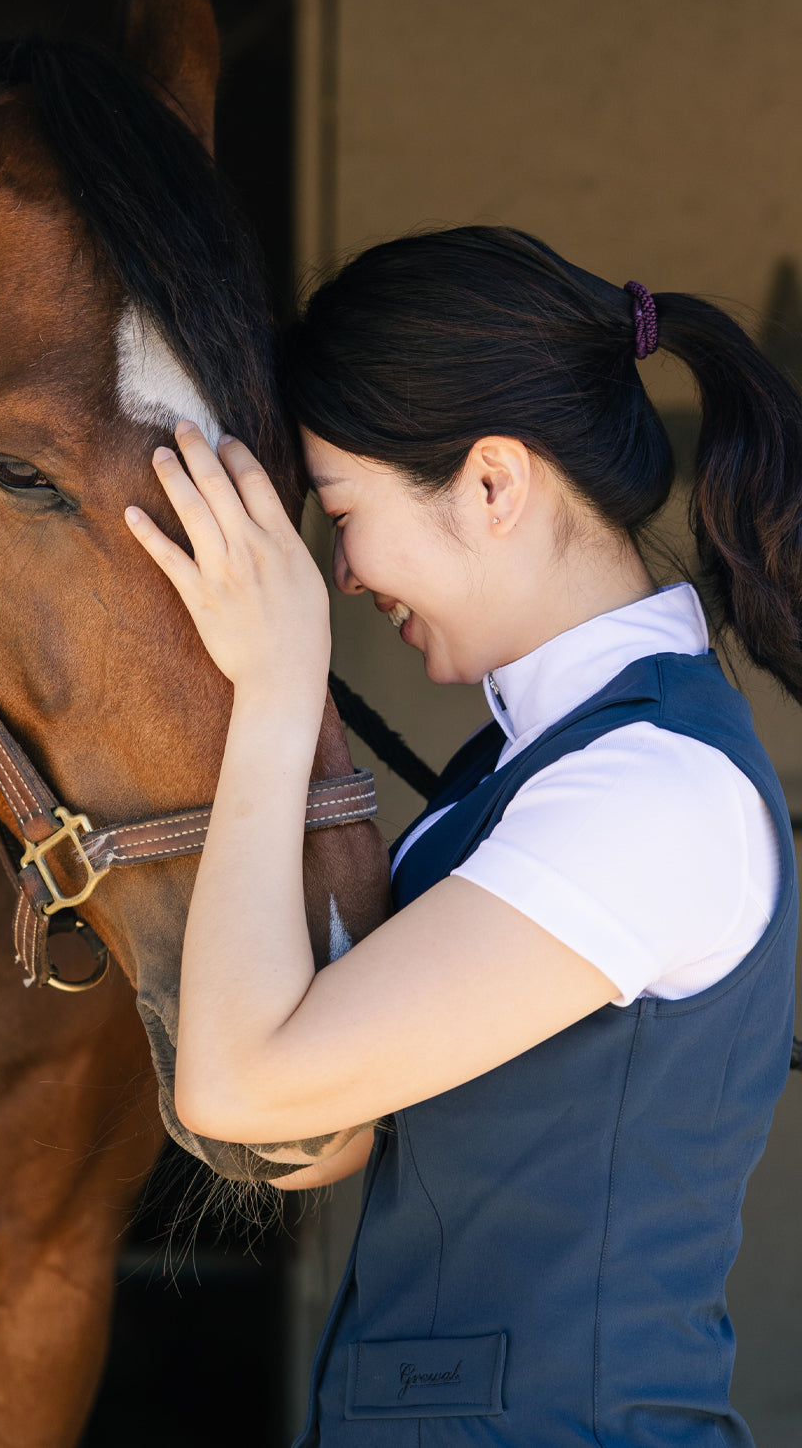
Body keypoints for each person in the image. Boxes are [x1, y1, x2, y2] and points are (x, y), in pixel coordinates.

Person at [121, 225, 801, 1447]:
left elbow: (235, 1086)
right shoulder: (535, 765)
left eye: (341, 511)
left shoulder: (650, 795)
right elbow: (313, 1127)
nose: (336, 573)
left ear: (493, 483)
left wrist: (280, 689)